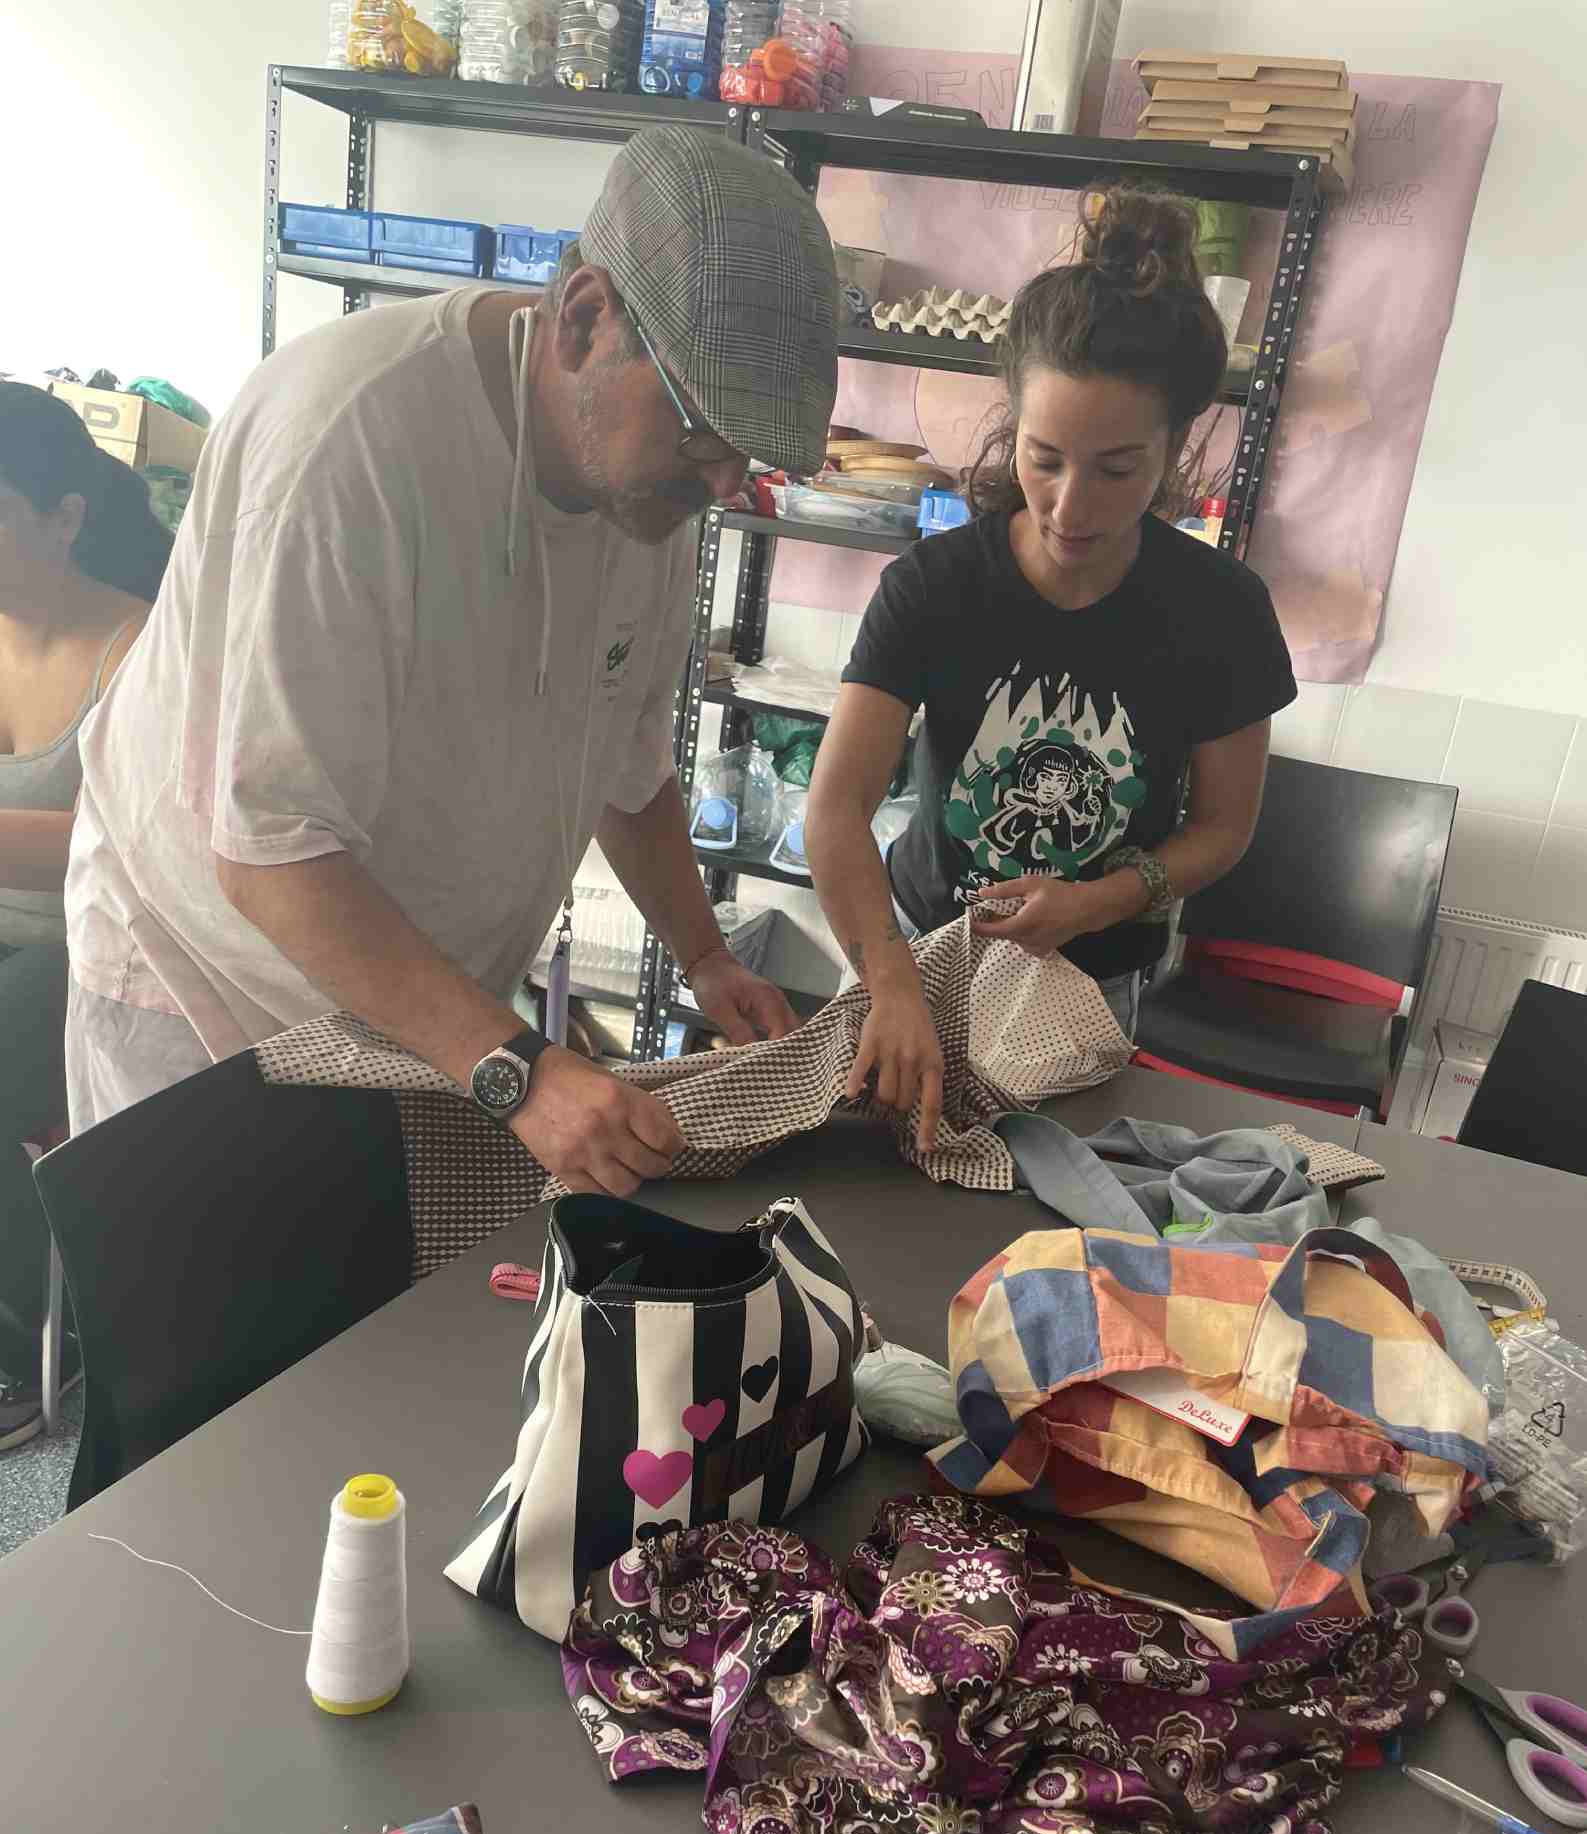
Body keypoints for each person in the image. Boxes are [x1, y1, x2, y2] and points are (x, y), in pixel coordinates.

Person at [65, 126, 838, 1198]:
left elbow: (628, 757)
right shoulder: (351, 447)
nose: (721, 482)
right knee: (232, 1360)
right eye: (705, 433)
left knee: (395, 1352)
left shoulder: (645, 497)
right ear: (582, 320)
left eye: (743, 457)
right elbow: (268, 849)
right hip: (206, 992)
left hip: (415, 1010)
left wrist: (704, 958)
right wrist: (519, 1070)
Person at [806, 187, 1296, 1151]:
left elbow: (1223, 827)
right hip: (915, 957)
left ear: (1176, 446)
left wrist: (1098, 901)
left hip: (1093, 984)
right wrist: (889, 982)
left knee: (1042, 1225)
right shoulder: (934, 587)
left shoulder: (1221, 612)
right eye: (1045, 459)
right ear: (1013, 427)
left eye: (1117, 470)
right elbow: (832, 813)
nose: (1071, 506)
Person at [0, 382, 172, 1447]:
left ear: (63, 518)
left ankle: (18, 1352)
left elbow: (118, 840)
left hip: (94, 941)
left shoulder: (138, 648)